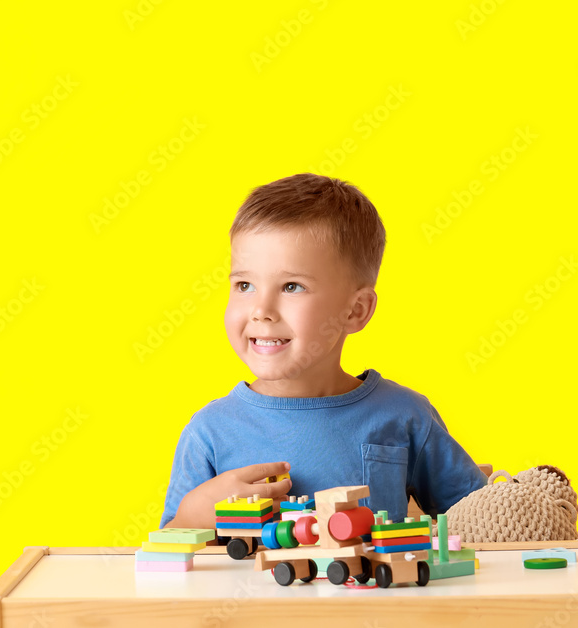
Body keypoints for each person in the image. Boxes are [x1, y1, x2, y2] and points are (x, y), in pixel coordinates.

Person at [161, 173, 486, 530]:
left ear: (355, 311)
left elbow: (481, 523)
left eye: (291, 286)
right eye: (244, 285)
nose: (261, 309)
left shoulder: (406, 416)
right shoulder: (209, 431)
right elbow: (165, 563)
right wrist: (193, 518)